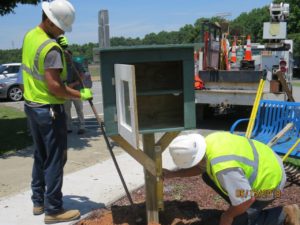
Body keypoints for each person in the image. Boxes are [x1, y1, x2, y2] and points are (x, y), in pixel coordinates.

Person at [21, 0, 92, 224]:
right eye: (60, 26)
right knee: (55, 159)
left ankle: (38, 201)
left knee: (40, 155)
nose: (63, 30)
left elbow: (37, 69)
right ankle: (54, 209)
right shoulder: (51, 49)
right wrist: (81, 95)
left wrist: (57, 43)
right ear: (50, 22)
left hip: (32, 105)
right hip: (49, 109)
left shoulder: (31, 36)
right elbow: (55, 87)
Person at [164, 132, 300, 225]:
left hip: (269, 187)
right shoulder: (210, 140)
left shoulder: (224, 167)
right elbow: (200, 167)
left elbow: (247, 199)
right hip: (268, 163)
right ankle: (238, 201)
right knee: (207, 176)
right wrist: (173, 174)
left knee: (237, 221)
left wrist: (228, 215)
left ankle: (284, 214)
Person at [57, 36, 86, 135]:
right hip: (66, 91)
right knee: (66, 110)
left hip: (76, 90)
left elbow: (82, 77)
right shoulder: (61, 65)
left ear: (71, 55)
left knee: (79, 109)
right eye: (64, 56)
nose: (66, 58)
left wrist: (73, 84)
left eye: (67, 56)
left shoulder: (76, 64)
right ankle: (68, 127)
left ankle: (82, 126)